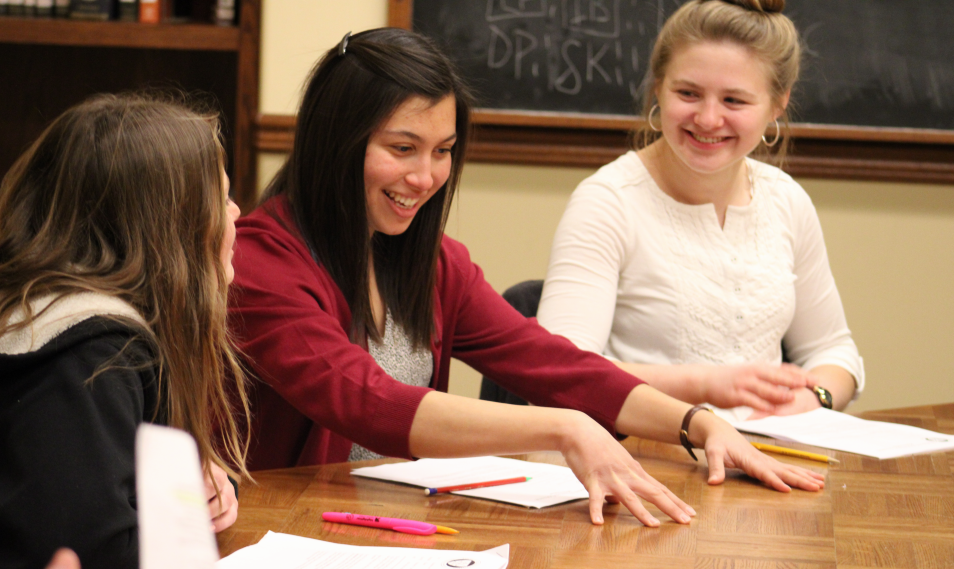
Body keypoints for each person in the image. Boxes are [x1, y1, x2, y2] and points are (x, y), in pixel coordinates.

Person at [229, 27, 824, 529]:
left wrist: (696, 423)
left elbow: (550, 362)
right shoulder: (262, 264)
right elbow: (368, 401)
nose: (425, 176)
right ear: (337, 144)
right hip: (282, 527)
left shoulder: (428, 261)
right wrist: (564, 428)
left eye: (443, 151)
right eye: (403, 148)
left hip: (393, 522)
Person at [0, 94, 250, 569]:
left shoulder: (18, 300)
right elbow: (92, 552)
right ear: (167, 231)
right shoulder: (87, 359)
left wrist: (194, 486)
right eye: (221, 199)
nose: (237, 214)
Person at [536, 0, 864, 423]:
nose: (708, 119)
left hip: (767, 458)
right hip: (639, 461)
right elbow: (560, 375)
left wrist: (813, 398)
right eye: (688, 93)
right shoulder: (608, 201)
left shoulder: (787, 200)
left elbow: (835, 350)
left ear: (777, 105)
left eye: (735, 100)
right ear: (658, 87)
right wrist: (705, 385)